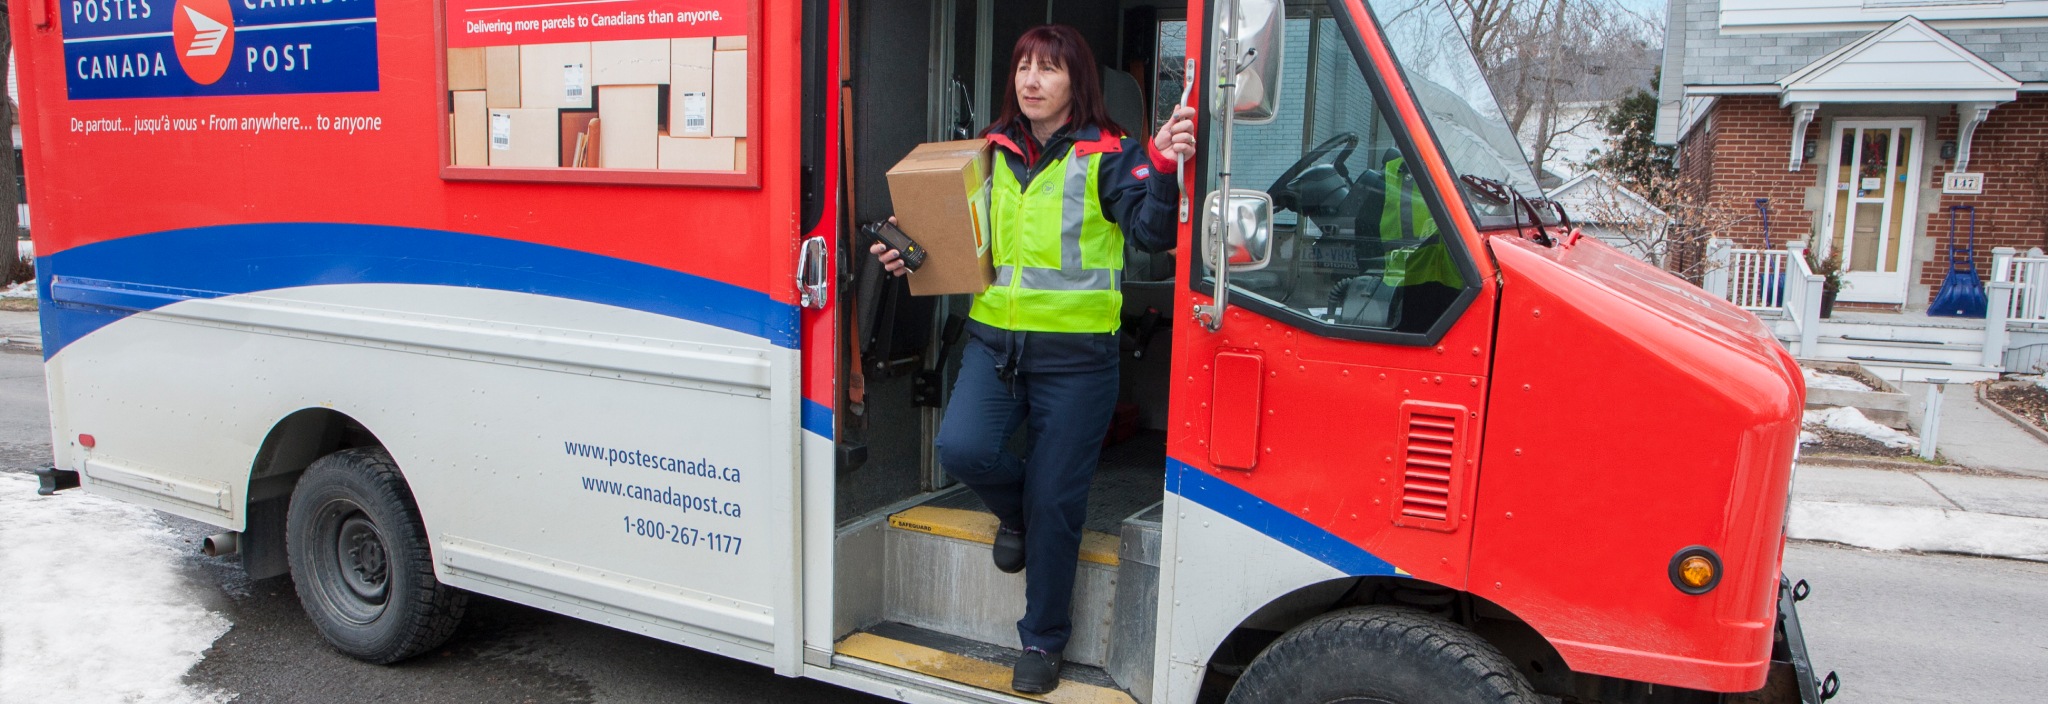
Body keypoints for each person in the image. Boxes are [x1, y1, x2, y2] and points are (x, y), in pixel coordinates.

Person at [872, 24, 1195, 694]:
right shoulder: (986, 154)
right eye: (1023, 67)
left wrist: (1163, 169)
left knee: (1060, 503)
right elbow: (946, 243)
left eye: (1048, 68)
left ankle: (1043, 640)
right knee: (963, 450)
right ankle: (1016, 512)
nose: (1031, 80)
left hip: (1078, 362)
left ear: (1078, 81)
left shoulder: (1112, 155)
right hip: (995, 344)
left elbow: (1152, 234)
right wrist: (906, 254)